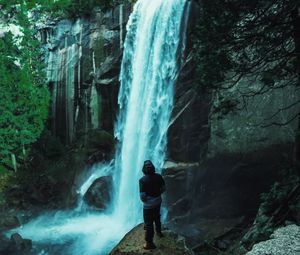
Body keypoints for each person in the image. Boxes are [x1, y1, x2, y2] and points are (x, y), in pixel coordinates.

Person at [139, 160, 166, 250]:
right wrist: (157, 195)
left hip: (148, 205)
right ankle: (159, 232)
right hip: (158, 201)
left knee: (148, 223)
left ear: (144, 169)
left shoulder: (142, 180)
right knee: (157, 216)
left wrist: (148, 200)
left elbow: (142, 196)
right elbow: (163, 188)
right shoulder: (159, 176)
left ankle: (149, 243)